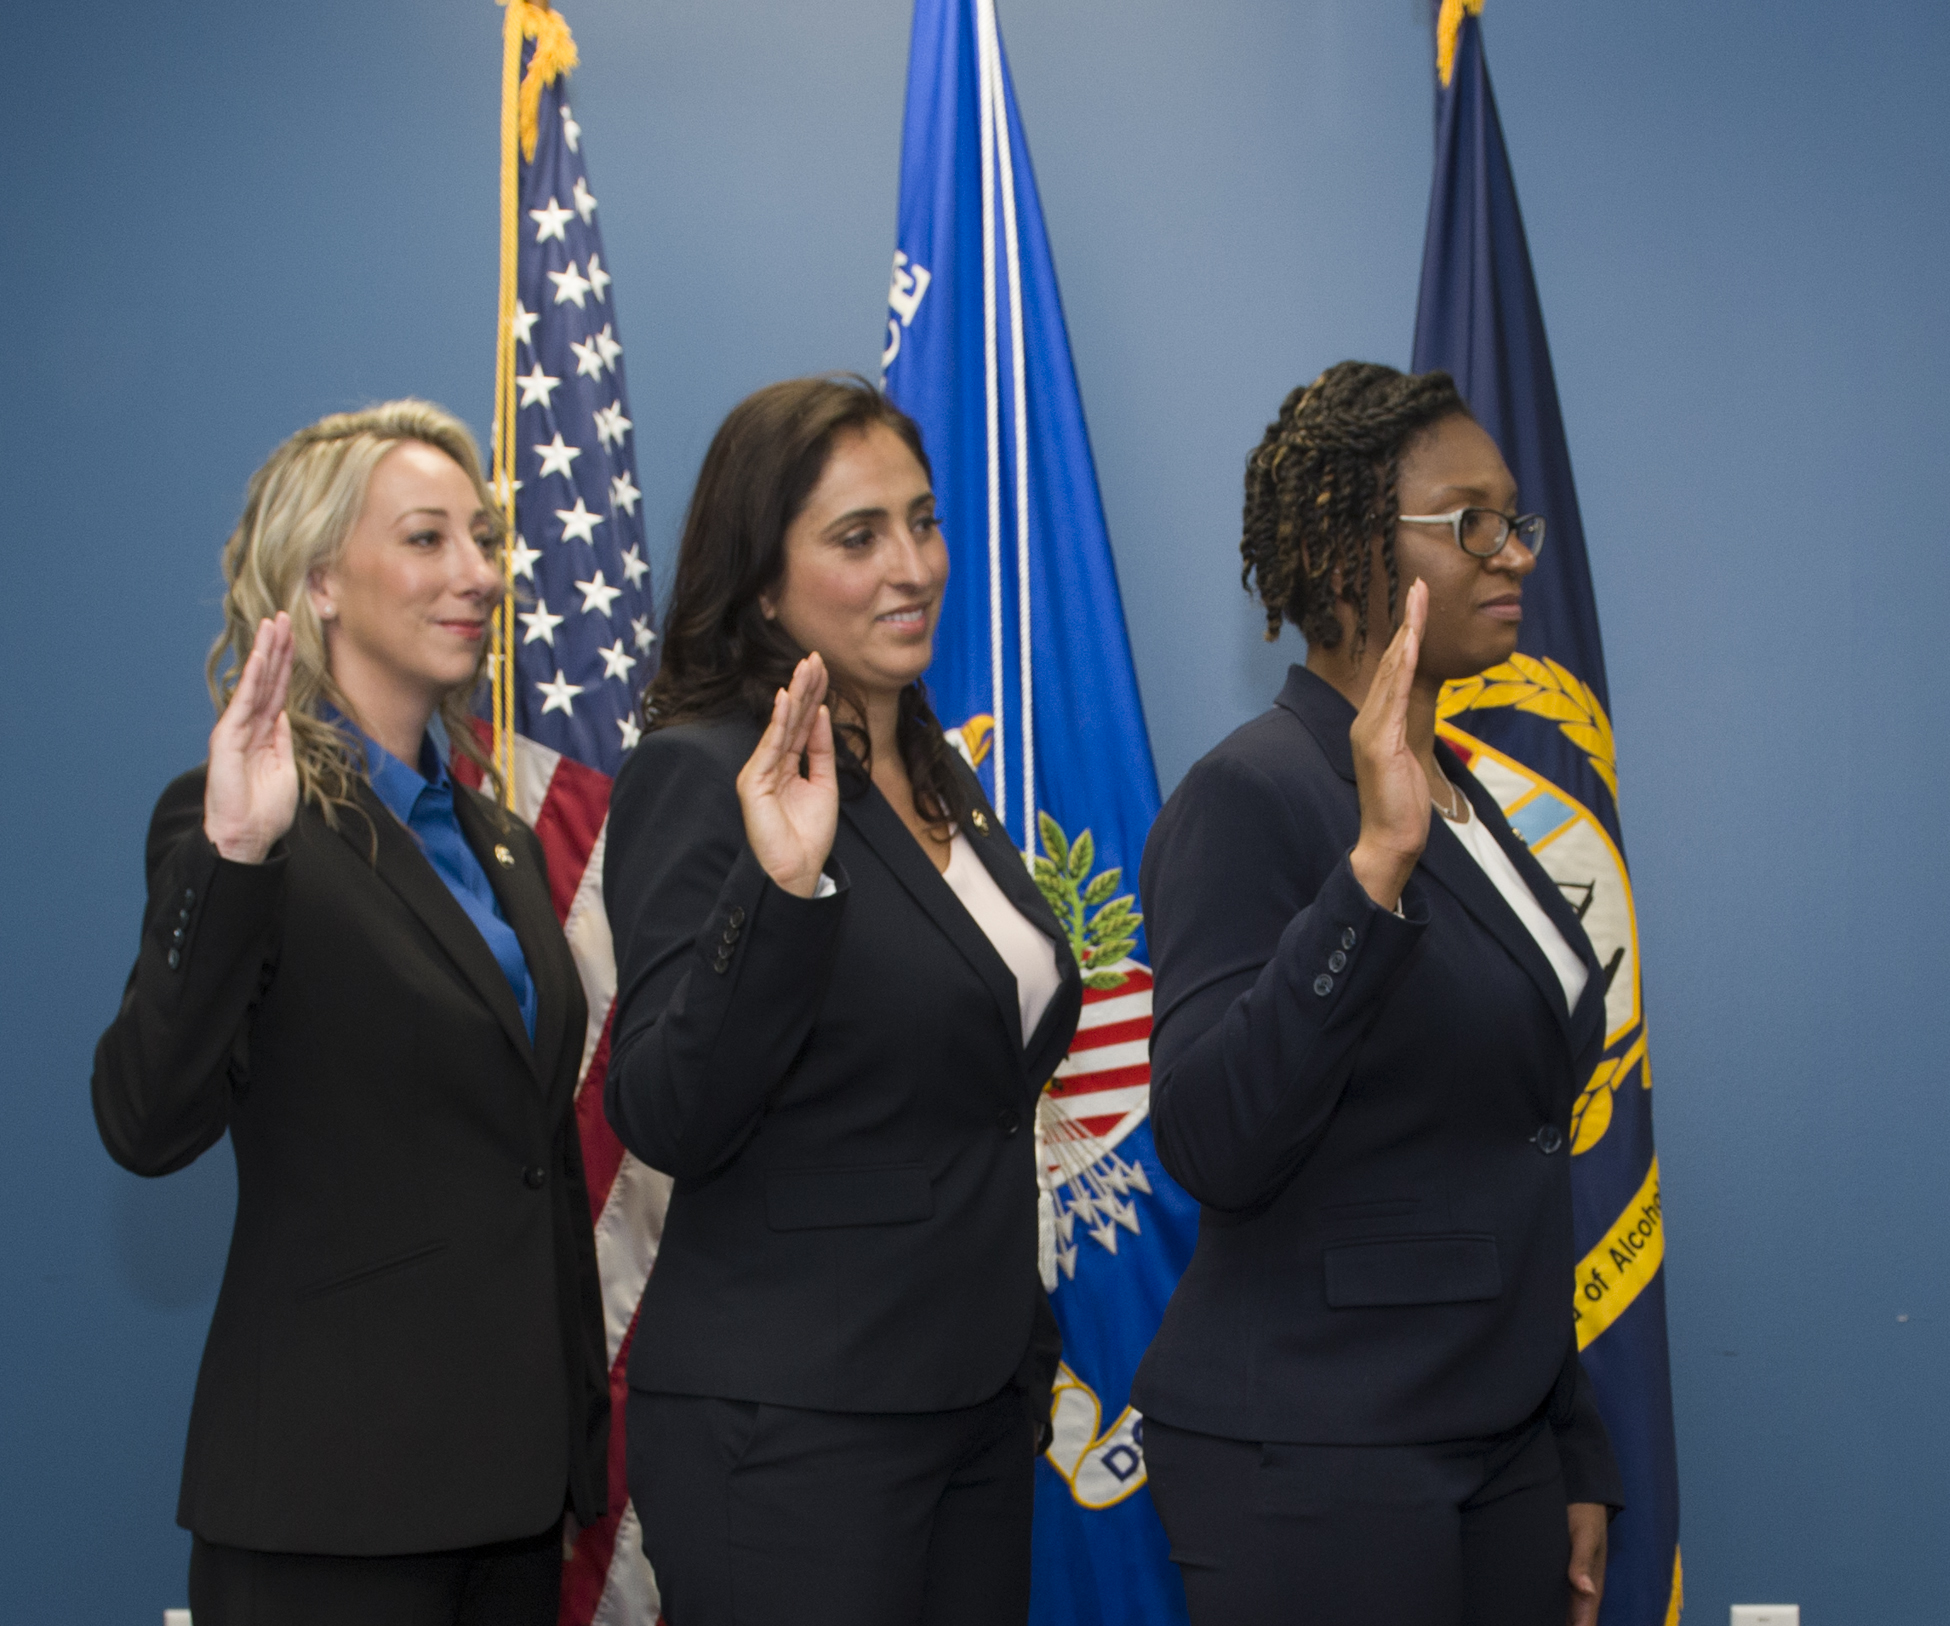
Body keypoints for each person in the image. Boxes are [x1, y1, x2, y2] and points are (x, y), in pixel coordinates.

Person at [92, 402, 608, 1625]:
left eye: (482, 542)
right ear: (320, 579)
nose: (479, 576)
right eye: (429, 540)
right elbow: (146, 1118)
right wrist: (233, 852)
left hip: (516, 1494)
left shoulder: (494, 835)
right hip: (332, 1501)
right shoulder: (236, 821)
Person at [1134, 362, 1623, 1626]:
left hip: (1495, 1436)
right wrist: (1369, 879)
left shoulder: (1468, 791)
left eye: (1515, 519)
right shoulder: (1248, 795)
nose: (1514, 552)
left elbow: (1503, 1149)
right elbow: (1211, 1138)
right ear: (1346, 550)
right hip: (1313, 1450)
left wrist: (1571, 1444)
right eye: (1472, 523)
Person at [602, 375, 1078, 1626]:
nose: (910, 565)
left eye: (920, 522)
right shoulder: (703, 773)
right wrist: (784, 886)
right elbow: (667, 1108)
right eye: (856, 536)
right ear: (763, 582)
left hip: (971, 1403)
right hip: (793, 1426)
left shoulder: (935, 772)